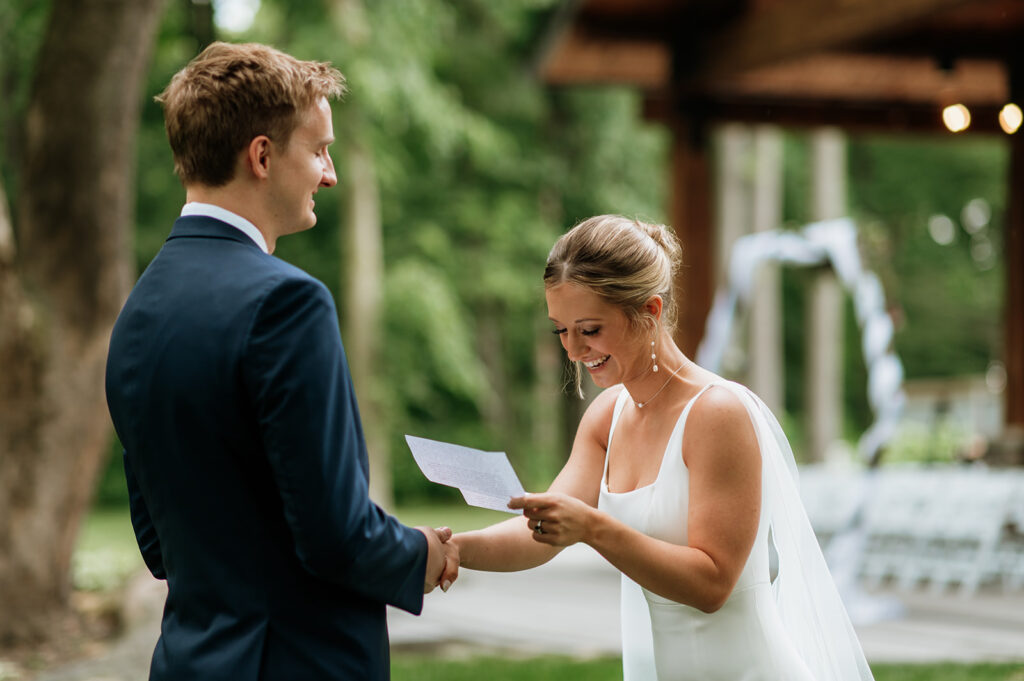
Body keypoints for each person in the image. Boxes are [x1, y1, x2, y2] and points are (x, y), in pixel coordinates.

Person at [105, 42, 456, 681]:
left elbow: (158, 544)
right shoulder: (287, 301)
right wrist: (419, 554)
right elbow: (335, 535)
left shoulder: (139, 310)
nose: (331, 174)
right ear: (262, 155)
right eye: (320, 150)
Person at [451, 215, 874, 680]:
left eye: (589, 329)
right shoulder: (606, 417)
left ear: (649, 311)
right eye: (561, 330)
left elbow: (712, 585)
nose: (572, 350)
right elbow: (538, 536)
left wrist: (593, 528)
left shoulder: (716, 413)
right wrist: (445, 548)